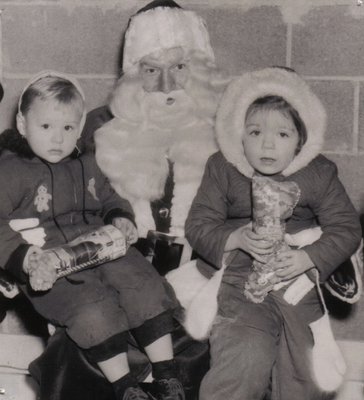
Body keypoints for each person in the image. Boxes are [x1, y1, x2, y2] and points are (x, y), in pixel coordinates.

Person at [0, 70, 185, 400]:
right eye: (46, 127)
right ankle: (125, 386)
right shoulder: (11, 170)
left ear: (80, 127)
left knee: (142, 280)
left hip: (100, 247)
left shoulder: (87, 162)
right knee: (92, 306)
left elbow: (111, 197)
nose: (58, 138)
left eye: (68, 127)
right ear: (23, 124)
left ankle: (167, 376)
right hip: (48, 258)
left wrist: (120, 218)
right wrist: (26, 259)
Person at [184, 67, 362, 400]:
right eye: (254, 132)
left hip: (298, 284)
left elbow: (347, 227)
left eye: (283, 134)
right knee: (243, 357)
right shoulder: (223, 167)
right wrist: (235, 238)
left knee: (306, 375)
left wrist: (309, 257)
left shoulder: (319, 172)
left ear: (301, 139)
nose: (268, 144)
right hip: (240, 281)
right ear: (238, 133)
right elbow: (199, 223)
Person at [83, 0, 229, 239]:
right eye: (152, 70)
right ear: (133, 77)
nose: (166, 85)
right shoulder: (99, 128)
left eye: (178, 67)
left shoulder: (224, 132)